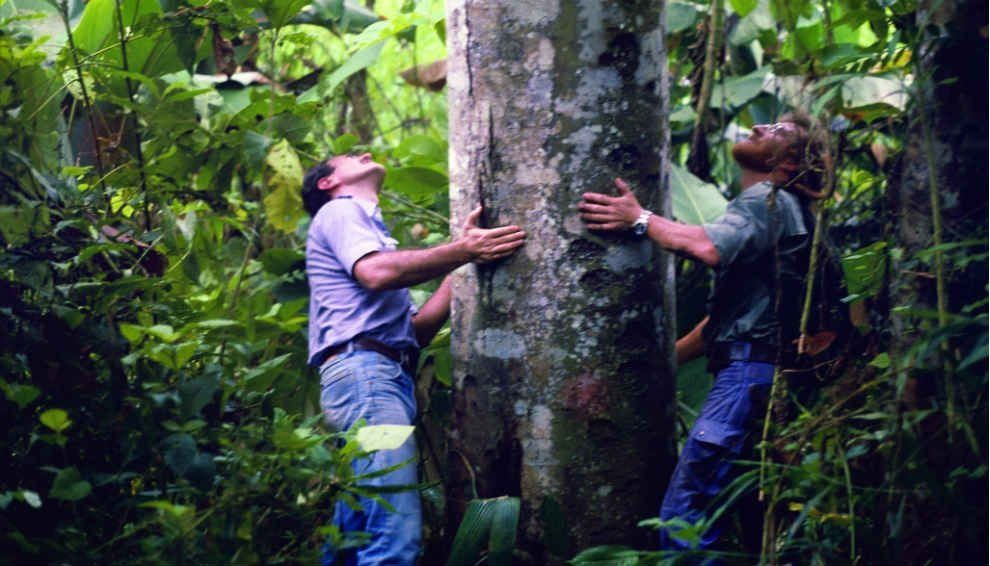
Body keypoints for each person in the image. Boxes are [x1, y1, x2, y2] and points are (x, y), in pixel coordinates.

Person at [579, 113, 829, 555]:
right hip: (759, 374)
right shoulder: (779, 211)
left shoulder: (767, 200)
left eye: (778, 132)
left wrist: (638, 218)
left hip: (747, 376)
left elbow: (708, 247)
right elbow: (721, 325)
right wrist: (661, 364)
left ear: (789, 165)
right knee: (744, 513)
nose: (758, 128)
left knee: (687, 511)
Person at [302, 152, 526, 565]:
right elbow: (376, 273)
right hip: (367, 382)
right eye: (350, 157)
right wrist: (462, 250)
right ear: (327, 184)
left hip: (373, 380)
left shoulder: (368, 229)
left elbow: (417, 331)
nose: (364, 153)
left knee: (355, 530)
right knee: (394, 534)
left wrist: (462, 259)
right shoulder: (341, 212)